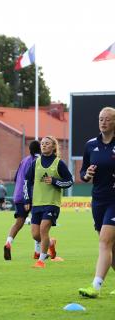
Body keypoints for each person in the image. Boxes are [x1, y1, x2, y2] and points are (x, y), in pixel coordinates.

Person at [78, 107, 115, 298]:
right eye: (101, 119)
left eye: (108, 119)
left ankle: (96, 286)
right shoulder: (90, 145)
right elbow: (83, 172)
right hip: (98, 199)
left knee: (104, 242)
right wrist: (87, 174)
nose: (103, 122)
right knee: (111, 246)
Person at [24, 136, 72, 268]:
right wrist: (27, 198)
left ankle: (41, 260)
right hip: (37, 203)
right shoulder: (36, 163)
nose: (44, 145)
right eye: (42, 143)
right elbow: (27, 181)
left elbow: (69, 181)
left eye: (47, 144)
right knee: (35, 234)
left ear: (53, 147)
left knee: (43, 229)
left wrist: (55, 181)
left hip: (52, 203)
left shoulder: (59, 163)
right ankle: (50, 243)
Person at [4, 140, 41, 260]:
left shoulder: (23, 160)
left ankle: (8, 242)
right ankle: (37, 252)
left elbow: (16, 178)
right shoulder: (39, 161)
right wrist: (28, 199)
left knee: (18, 223)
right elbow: (29, 180)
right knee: (38, 224)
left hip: (18, 195)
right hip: (32, 196)